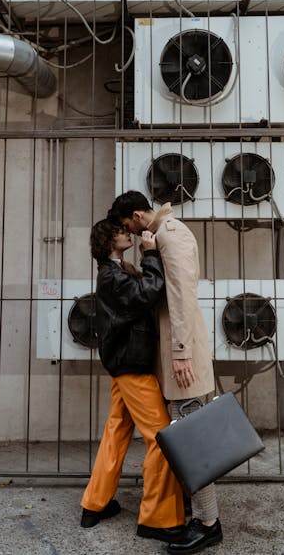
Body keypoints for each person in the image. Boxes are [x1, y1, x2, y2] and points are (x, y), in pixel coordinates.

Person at [108, 191, 223, 555]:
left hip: (182, 359)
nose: (125, 232)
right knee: (184, 441)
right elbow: (161, 292)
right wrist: (140, 266)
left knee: (191, 444)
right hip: (175, 357)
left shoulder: (171, 235)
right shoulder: (160, 237)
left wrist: (181, 354)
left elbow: (182, 298)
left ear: (138, 216)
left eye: (126, 225)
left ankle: (209, 525)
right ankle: (198, 514)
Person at [80, 218, 185, 544]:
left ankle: (94, 504)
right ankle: (157, 518)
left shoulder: (116, 270)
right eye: (120, 231)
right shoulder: (112, 275)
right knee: (162, 438)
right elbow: (148, 293)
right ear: (108, 241)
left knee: (117, 431)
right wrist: (151, 254)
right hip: (132, 366)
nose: (128, 233)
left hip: (125, 364)